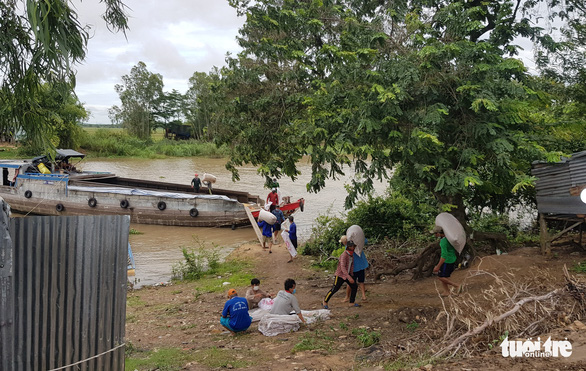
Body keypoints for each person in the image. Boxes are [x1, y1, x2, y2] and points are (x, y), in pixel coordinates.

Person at [322, 240, 359, 309]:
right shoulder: (344, 255)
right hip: (340, 275)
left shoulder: (351, 255)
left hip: (347, 274)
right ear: (348, 247)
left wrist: (351, 275)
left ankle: (351, 302)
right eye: (351, 246)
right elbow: (342, 267)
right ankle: (325, 301)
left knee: (354, 286)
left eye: (353, 246)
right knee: (334, 289)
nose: (353, 248)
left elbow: (351, 265)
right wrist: (349, 277)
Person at [432, 226, 461, 296]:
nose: (434, 235)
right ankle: (446, 292)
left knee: (440, 277)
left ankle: (457, 285)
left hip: (447, 261)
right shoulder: (449, 238)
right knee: (444, 276)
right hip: (452, 259)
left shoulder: (443, 242)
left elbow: (444, 255)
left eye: (435, 233)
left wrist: (438, 266)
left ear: (439, 233)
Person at [343, 236, 369, 302]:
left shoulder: (350, 246)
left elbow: (365, 241)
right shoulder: (357, 245)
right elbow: (365, 241)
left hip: (355, 267)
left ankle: (348, 297)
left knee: (352, 283)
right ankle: (362, 296)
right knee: (360, 282)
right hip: (358, 266)